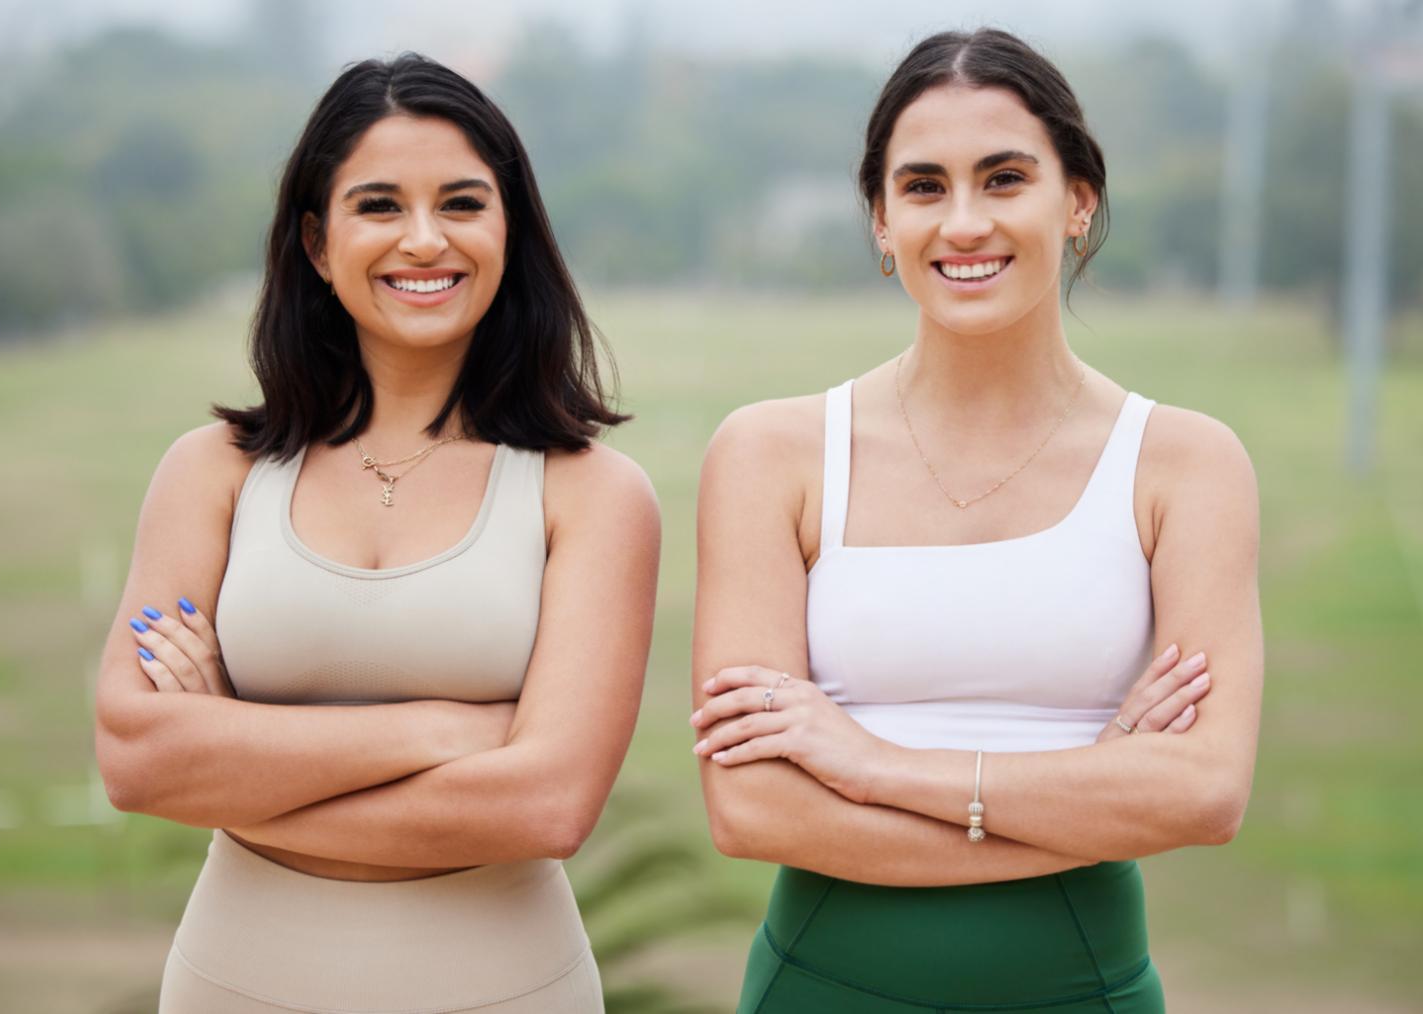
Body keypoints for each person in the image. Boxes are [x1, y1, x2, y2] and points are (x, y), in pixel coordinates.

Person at [691, 28, 1262, 1012]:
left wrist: (870, 765)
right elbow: (751, 810)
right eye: (922, 187)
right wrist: (1095, 790)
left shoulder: (1187, 465)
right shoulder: (768, 455)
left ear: (1076, 200)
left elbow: (1203, 793)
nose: (964, 223)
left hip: (1086, 991)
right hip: (820, 990)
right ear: (879, 219)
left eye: (1004, 180)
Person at [93, 53, 658, 1013]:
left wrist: (237, 756)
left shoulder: (593, 494)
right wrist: (445, 731)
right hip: (235, 982)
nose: (425, 240)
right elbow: (138, 761)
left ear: (510, 232)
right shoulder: (213, 472)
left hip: (509, 987)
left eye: (464, 204)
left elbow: (548, 804)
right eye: (381, 205)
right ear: (318, 241)